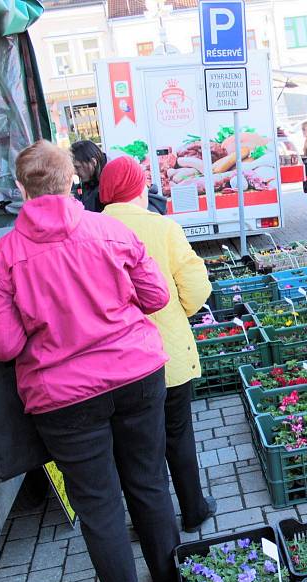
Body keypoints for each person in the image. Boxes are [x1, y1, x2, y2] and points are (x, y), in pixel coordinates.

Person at [0, 140, 179, 582]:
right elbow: (156, 297)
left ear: (20, 187)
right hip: (136, 375)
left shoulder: (2, 256)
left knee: (98, 504)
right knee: (148, 482)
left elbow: (5, 345)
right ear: (71, 178)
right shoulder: (111, 231)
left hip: (63, 398)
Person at [98, 156, 217, 535]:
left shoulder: (91, 229)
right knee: (178, 433)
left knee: (134, 447)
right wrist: (175, 313)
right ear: (138, 187)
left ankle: (150, 521)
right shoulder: (162, 228)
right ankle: (193, 509)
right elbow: (197, 287)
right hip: (166, 352)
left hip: (115, 360)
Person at [70, 139, 106, 212]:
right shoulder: (86, 182)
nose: (74, 172)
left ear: (93, 162)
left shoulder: (108, 187)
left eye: (77, 167)